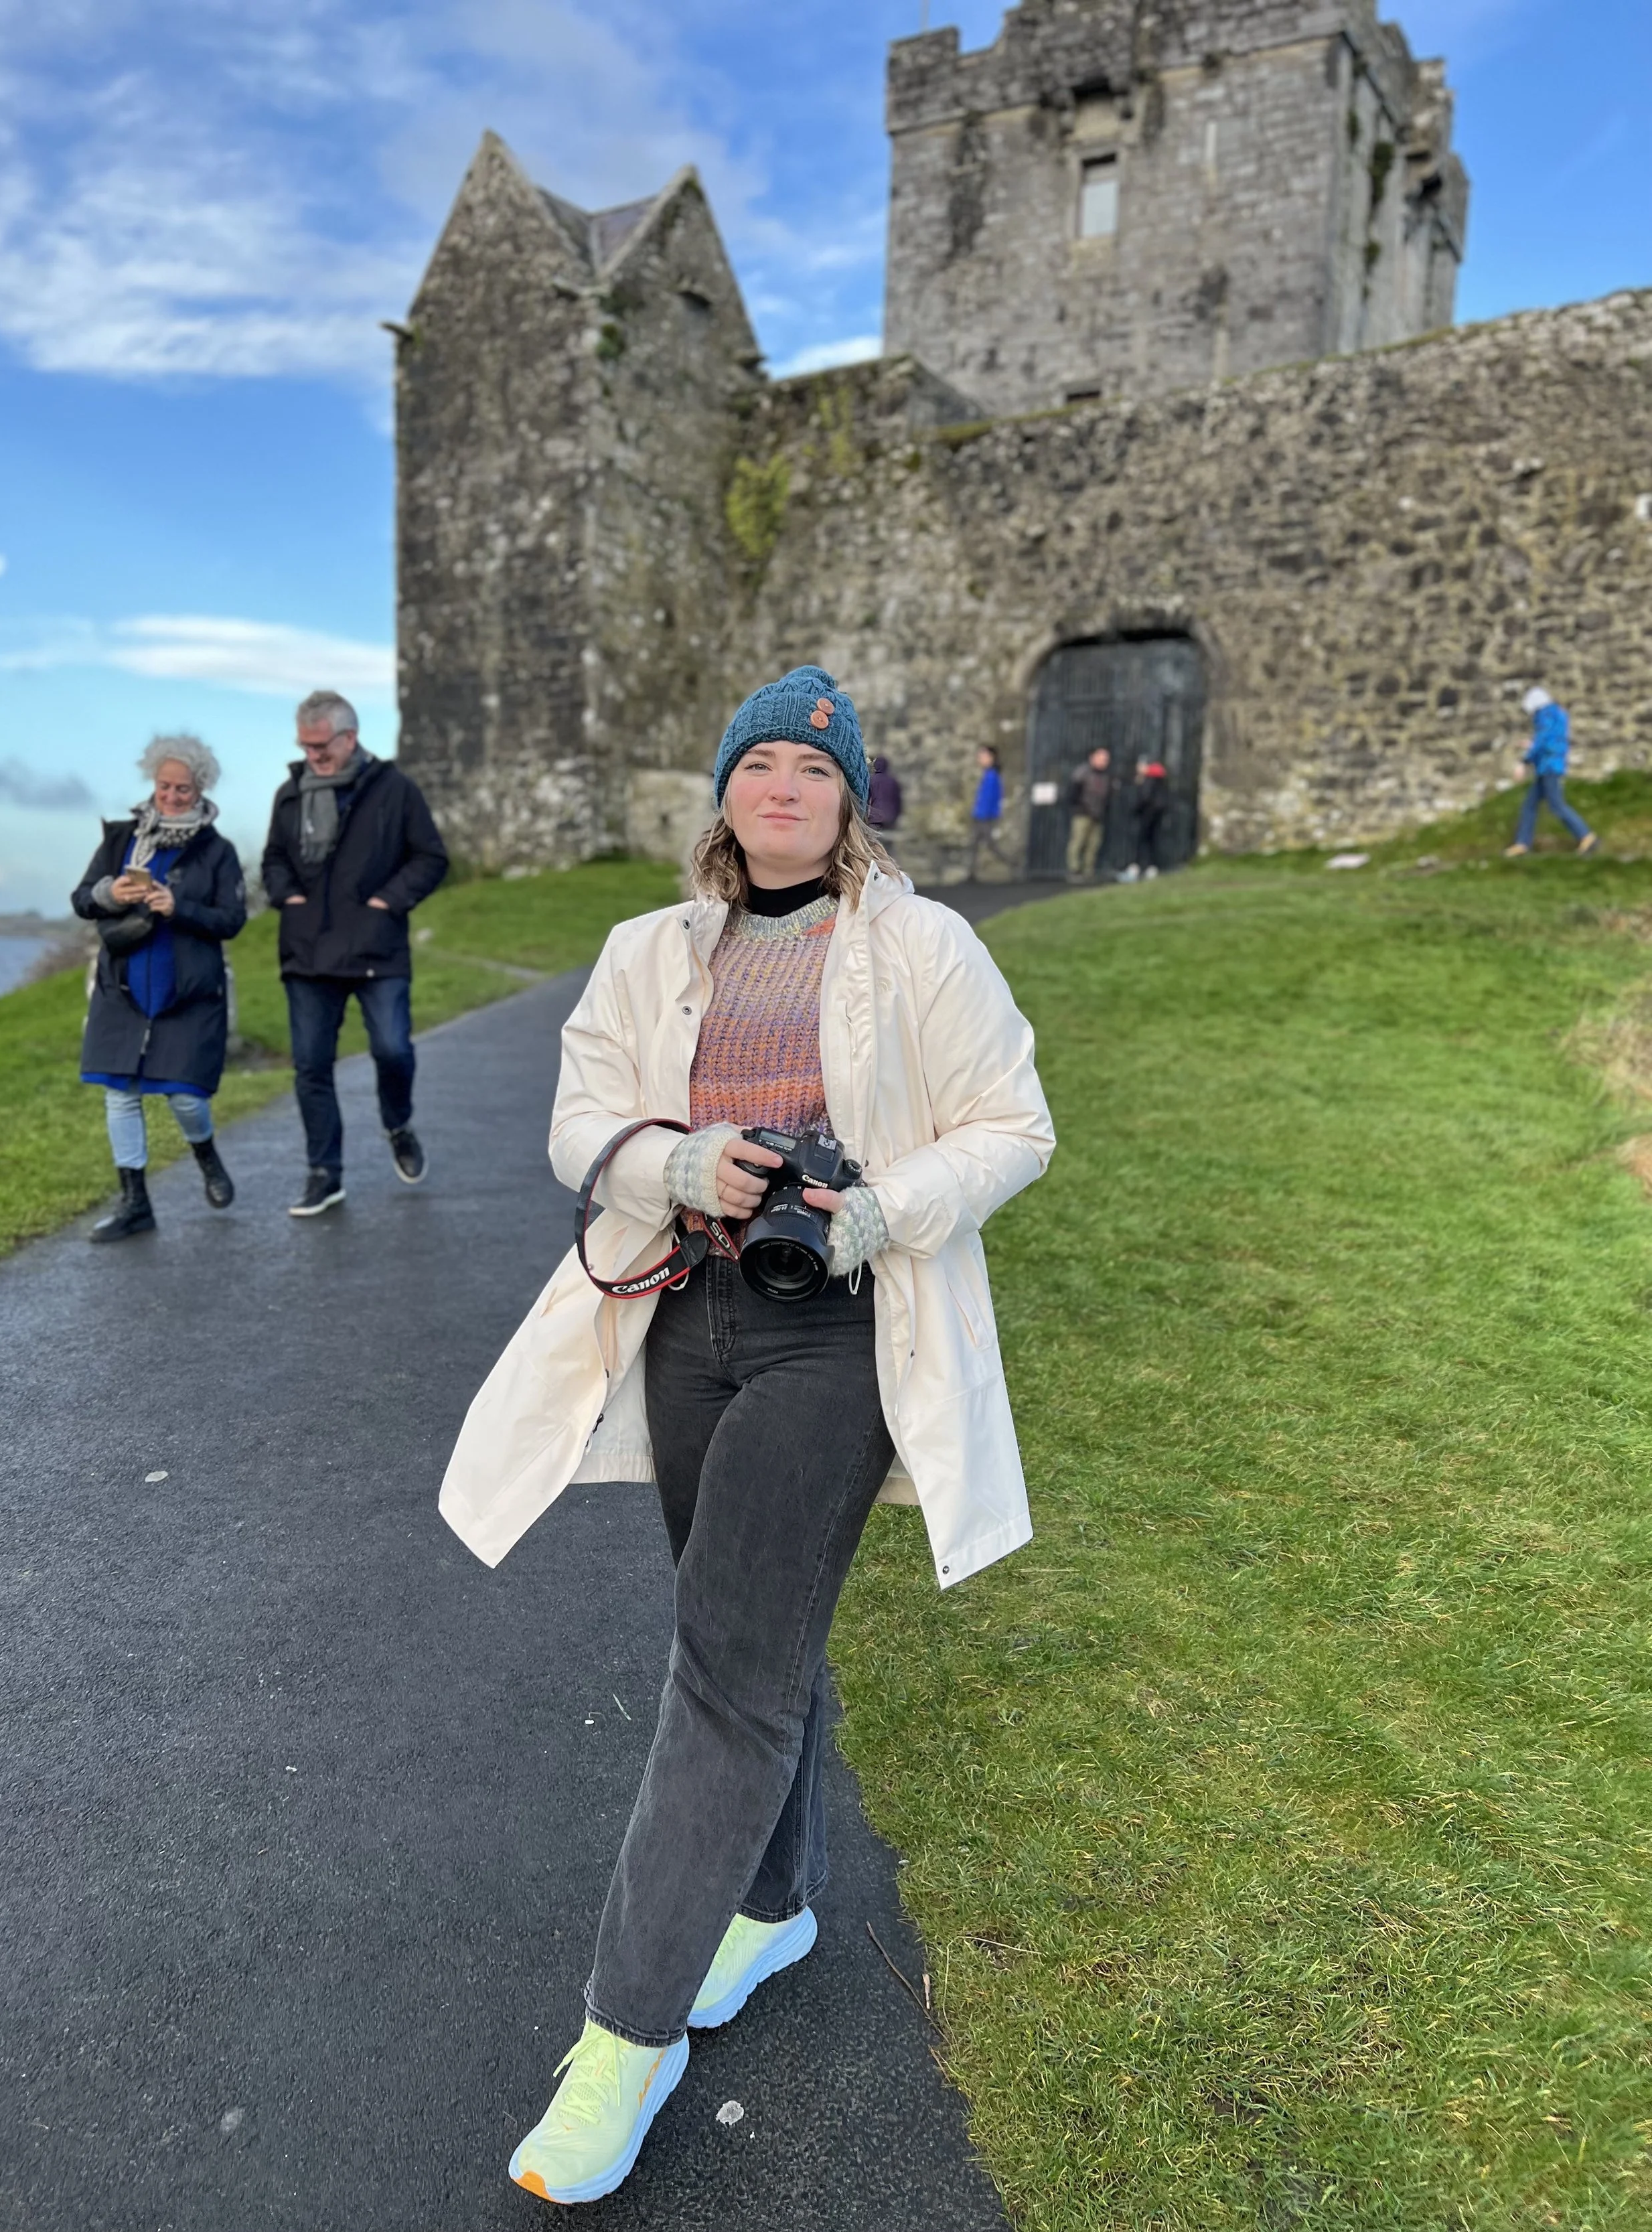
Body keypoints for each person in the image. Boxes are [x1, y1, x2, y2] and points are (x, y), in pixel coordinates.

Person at [437, 664, 1055, 2207]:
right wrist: (679, 1155)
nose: (783, 786)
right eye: (758, 761)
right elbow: (582, 1122)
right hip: (684, 1321)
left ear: (850, 799)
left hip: (837, 1329)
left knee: (719, 1671)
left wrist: (881, 1211)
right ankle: (774, 1902)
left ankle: (622, 2036)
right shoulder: (649, 947)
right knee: (753, 1638)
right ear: (724, 791)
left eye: (813, 768)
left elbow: (1014, 1123)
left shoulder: (920, 943)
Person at [260, 689, 448, 1217]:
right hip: (307, 950)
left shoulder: (395, 790)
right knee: (311, 1066)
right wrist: (285, 896)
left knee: (392, 1049)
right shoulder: (290, 793)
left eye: (321, 746)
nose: (312, 756)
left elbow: (431, 857)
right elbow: (274, 858)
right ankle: (325, 1173)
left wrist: (387, 900)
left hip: (375, 947)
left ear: (350, 737)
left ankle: (397, 1123)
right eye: (305, 746)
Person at [72, 735, 246, 1242]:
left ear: (201, 789)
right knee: (120, 1094)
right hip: (123, 986)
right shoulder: (120, 837)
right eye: (165, 786)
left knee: (185, 1096)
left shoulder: (218, 850)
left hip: (186, 991)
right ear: (154, 783)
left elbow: (233, 919)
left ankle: (206, 1155)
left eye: (183, 789)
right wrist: (111, 892)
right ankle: (135, 1204)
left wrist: (180, 908)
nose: (171, 796)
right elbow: (83, 898)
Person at [1504, 687, 1598, 858]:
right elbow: (1550, 740)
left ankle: (1586, 836)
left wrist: (1524, 762)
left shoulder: (1544, 715)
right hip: (1549, 766)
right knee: (1530, 805)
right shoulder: (1557, 714)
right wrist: (1532, 745)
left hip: (1549, 767)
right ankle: (1522, 844)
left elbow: (1543, 742)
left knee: (1556, 805)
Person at [1067, 746, 1111, 879]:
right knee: (1078, 841)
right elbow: (1073, 794)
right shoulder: (1082, 773)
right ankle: (1074, 869)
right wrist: (1081, 807)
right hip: (1083, 813)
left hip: (1098, 814)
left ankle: (1089, 870)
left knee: (1094, 844)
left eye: (1106, 759)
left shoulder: (1106, 776)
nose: (1104, 762)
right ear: (1093, 758)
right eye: (1101, 758)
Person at [966, 743, 1007, 879]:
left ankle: (1015, 866)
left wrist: (981, 814)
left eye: (983, 755)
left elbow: (989, 799)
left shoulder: (992, 776)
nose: (980, 759)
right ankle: (971, 873)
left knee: (991, 845)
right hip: (981, 815)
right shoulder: (989, 775)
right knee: (976, 844)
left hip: (984, 817)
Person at [1133, 752, 1170, 879]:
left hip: (1148, 813)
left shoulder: (1149, 779)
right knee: (1154, 840)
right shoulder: (1160, 778)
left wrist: (1136, 809)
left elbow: (1145, 796)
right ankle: (1152, 867)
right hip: (1158, 813)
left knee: (1143, 840)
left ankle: (1139, 866)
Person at [866, 752, 902, 834]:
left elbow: (867, 799)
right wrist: (897, 815)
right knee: (889, 843)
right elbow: (898, 800)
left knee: (874, 842)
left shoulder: (871, 780)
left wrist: (866, 816)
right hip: (890, 817)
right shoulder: (893, 781)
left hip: (875, 818)